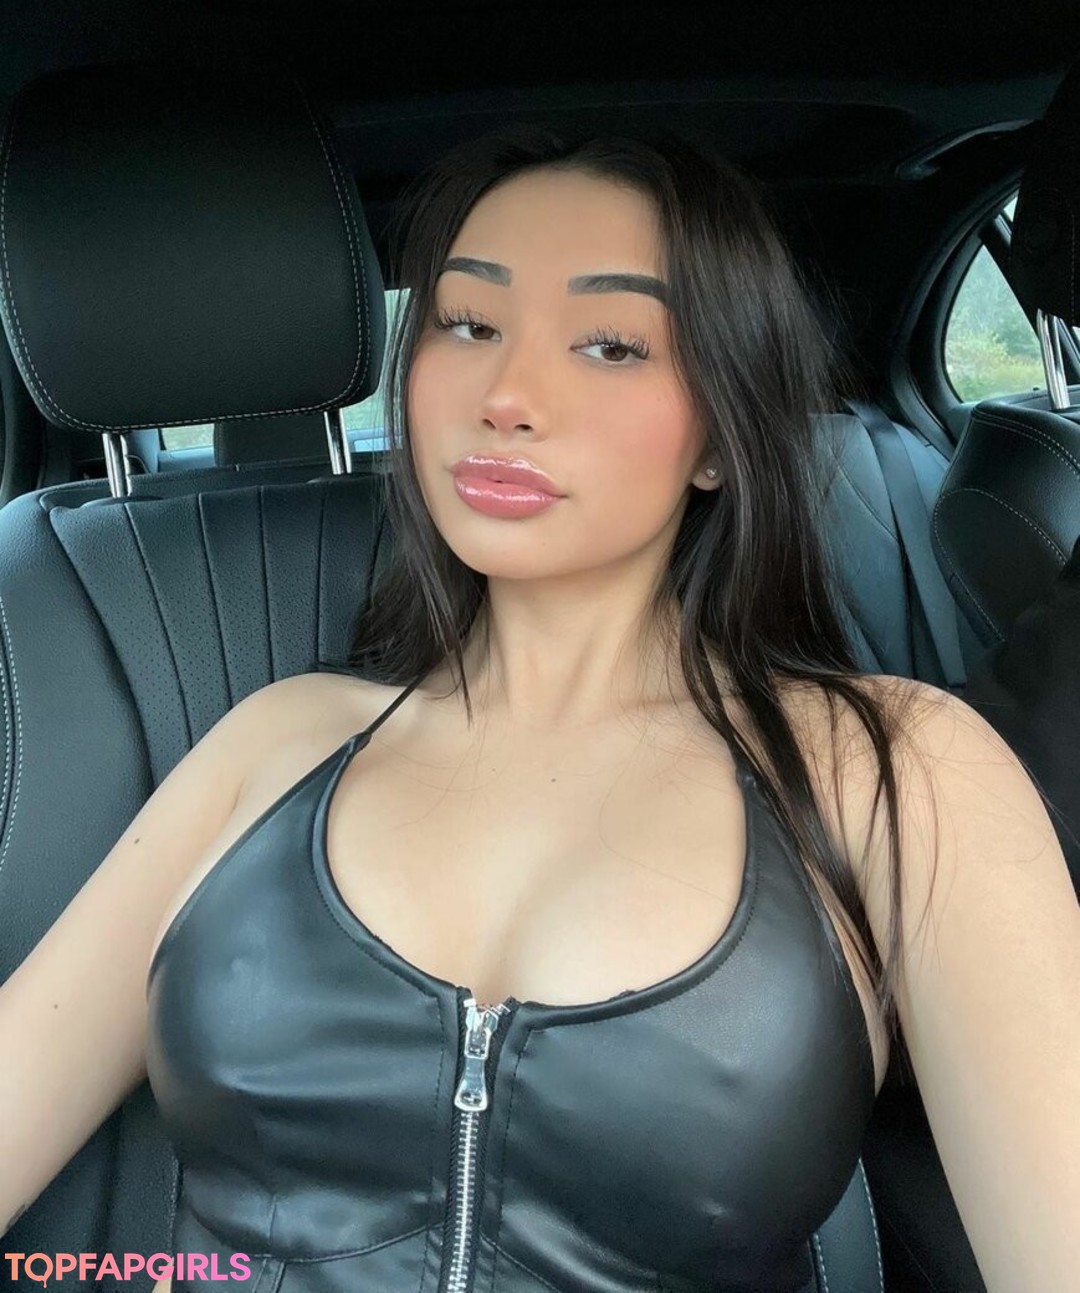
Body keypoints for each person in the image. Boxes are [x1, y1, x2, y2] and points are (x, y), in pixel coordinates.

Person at [1, 126, 1077, 1293]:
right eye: (467, 324)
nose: (507, 395)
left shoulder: (896, 774)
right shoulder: (275, 743)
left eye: (612, 344)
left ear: (721, 437)